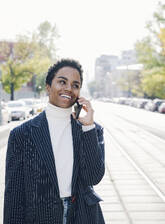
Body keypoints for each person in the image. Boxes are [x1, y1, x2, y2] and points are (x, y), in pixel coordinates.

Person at [3, 58, 105, 224]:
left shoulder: (91, 130)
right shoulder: (21, 134)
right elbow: (14, 194)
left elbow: (93, 177)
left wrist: (88, 127)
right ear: (48, 86)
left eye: (75, 85)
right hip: (40, 217)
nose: (68, 88)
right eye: (62, 82)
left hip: (83, 215)